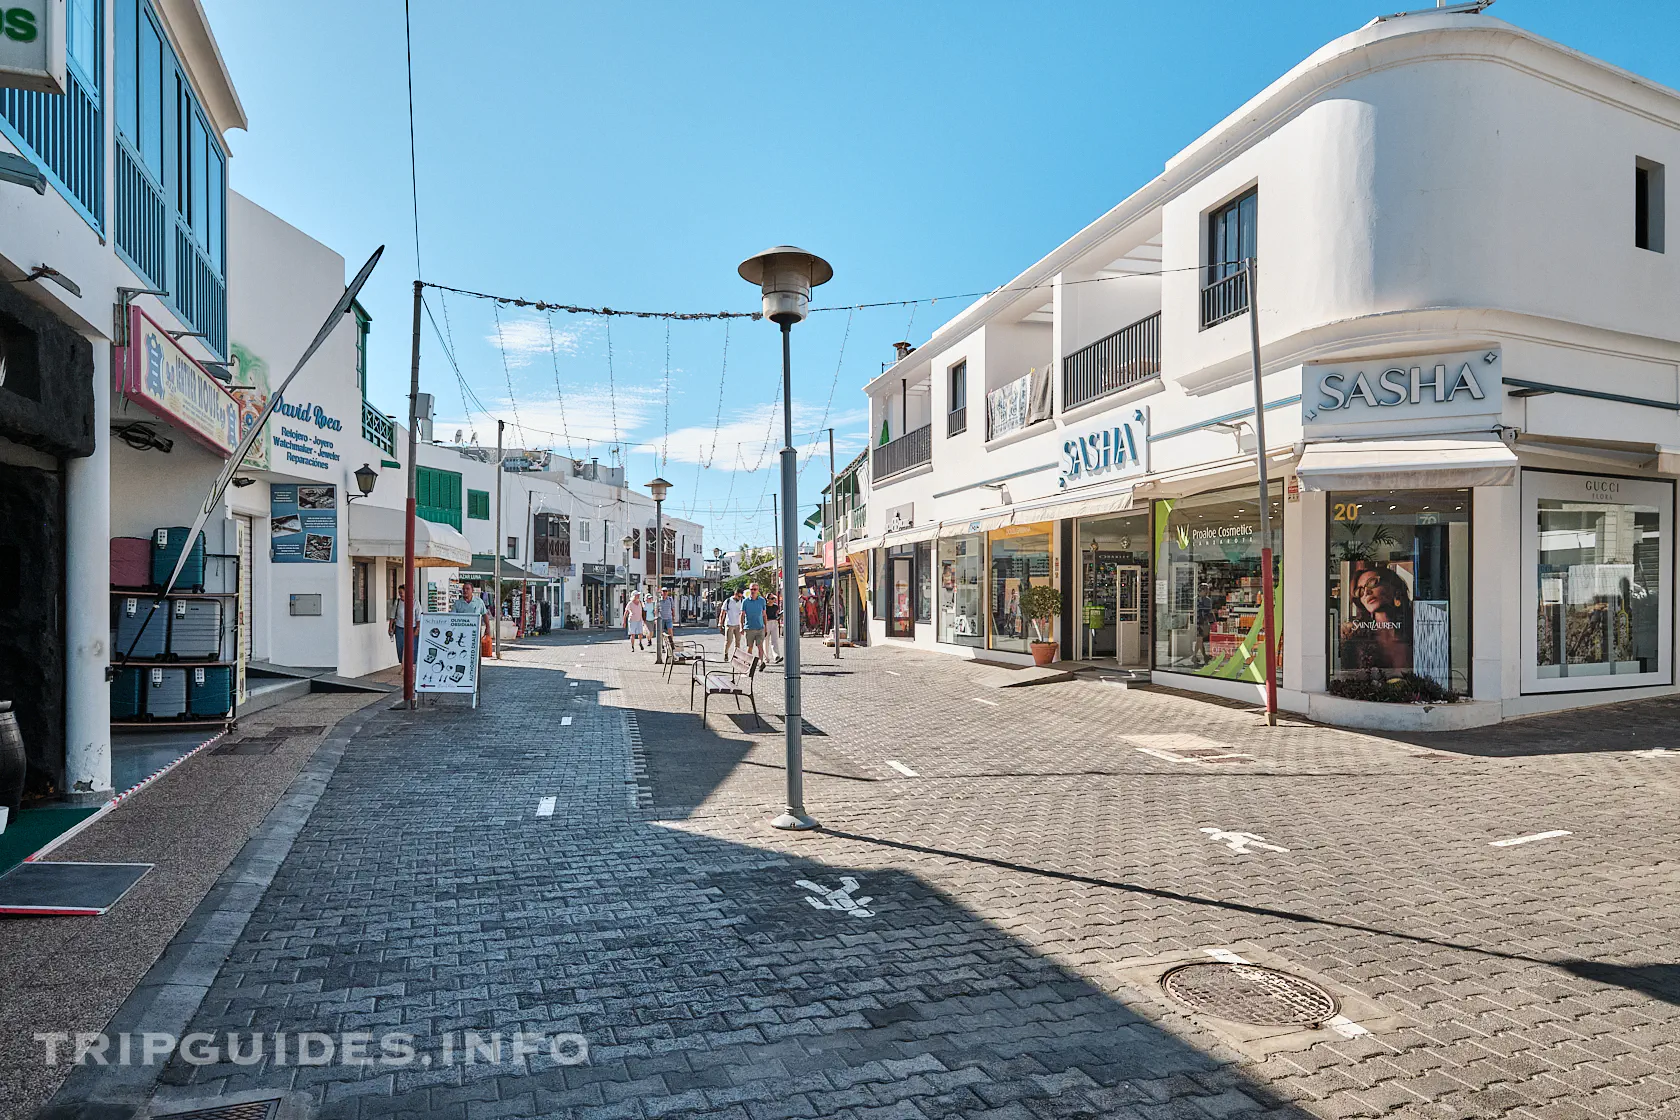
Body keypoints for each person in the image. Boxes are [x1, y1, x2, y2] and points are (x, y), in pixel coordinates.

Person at [1339, 563, 1414, 675]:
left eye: (1372, 583)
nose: (1366, 593)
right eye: (1360, 591)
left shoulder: (1417, 628)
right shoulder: (1354, 639)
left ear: (1392, 585)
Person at [742, 583, 769, 662]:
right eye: (751, 589)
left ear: (758, 590)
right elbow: (742, 615)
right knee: (749, 647)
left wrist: (765, 627)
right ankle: (748, 663)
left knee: (760, 646)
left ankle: (761, 662)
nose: (753, 591)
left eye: (755, 589)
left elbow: (764, 614)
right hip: (749, 628)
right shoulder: (745, 601)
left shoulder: (762, 600)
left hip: (760, 628)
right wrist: (741, 626)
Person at [389, 583, 413, 664]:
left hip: (411, 628)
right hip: (399, 627)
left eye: (401, 592)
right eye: (399, 592)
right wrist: (390, 628)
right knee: (400, 647)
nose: (400, 594)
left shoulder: (415, 602)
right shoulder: (397, 602)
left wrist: (418, 628)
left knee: (410, 648)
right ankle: (403, 665)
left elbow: (418, 617)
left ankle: (409, 665)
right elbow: (392, 616)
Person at [720, 588, 745, 656]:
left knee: (738, 642)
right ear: (735, 594)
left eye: (741, 596)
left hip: (738, 624)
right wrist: (720, 623)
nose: (740, 598)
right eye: (739, 596)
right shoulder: (728, 601)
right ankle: (726, 653)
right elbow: (723, 613)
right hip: (729, 623)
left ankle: (736, 656)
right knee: (729, 641)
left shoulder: (742, 601)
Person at [765, 593, 784, 662]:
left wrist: (780, 615)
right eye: (772, 598)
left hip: (774, 622)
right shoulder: (764, 607)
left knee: (775, 640)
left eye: (774, 598)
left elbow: (777, 614)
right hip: (766, 623)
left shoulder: (775, 606)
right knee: (766, 640)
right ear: (768, 599)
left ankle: (776, 656)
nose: (773, 600)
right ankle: (766, 657)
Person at [658, 588, 677, 657]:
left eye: (666, 591)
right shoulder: (659, 600)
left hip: (669, 617)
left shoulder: (670, 599)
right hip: (661, 618)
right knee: (661, 632)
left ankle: (671, 644)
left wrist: (674, 616)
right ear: (661, 592)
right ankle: (661, 645)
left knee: (670, 631)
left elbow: (673, 608)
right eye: (664, 591)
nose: (665, 592)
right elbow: (656, 609)